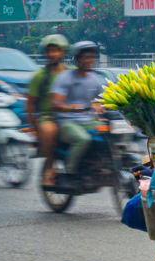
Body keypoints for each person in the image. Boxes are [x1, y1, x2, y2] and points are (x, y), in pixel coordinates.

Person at [50, 41, 105, 177]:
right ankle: (70, 172)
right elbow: (55, 105)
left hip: (87, 121)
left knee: (111, 134)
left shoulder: (96, 79)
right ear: (77, 59)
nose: (89, 61)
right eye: (85, 57)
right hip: (66, 123)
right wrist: (71, 108)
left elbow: (102, 100)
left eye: (92, 57)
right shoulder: (64, 78)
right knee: (83, 139)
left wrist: (100, 106)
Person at [26, 34, 70, 186]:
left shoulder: (72, 72)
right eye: (49, 51)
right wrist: (35, 129)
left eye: (56, 50)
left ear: (63, 52)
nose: (53, 54)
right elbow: (30, 104)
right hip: (48, 117)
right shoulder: (40, 76)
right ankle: (50, 167)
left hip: (72, 114)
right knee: (49, 130)